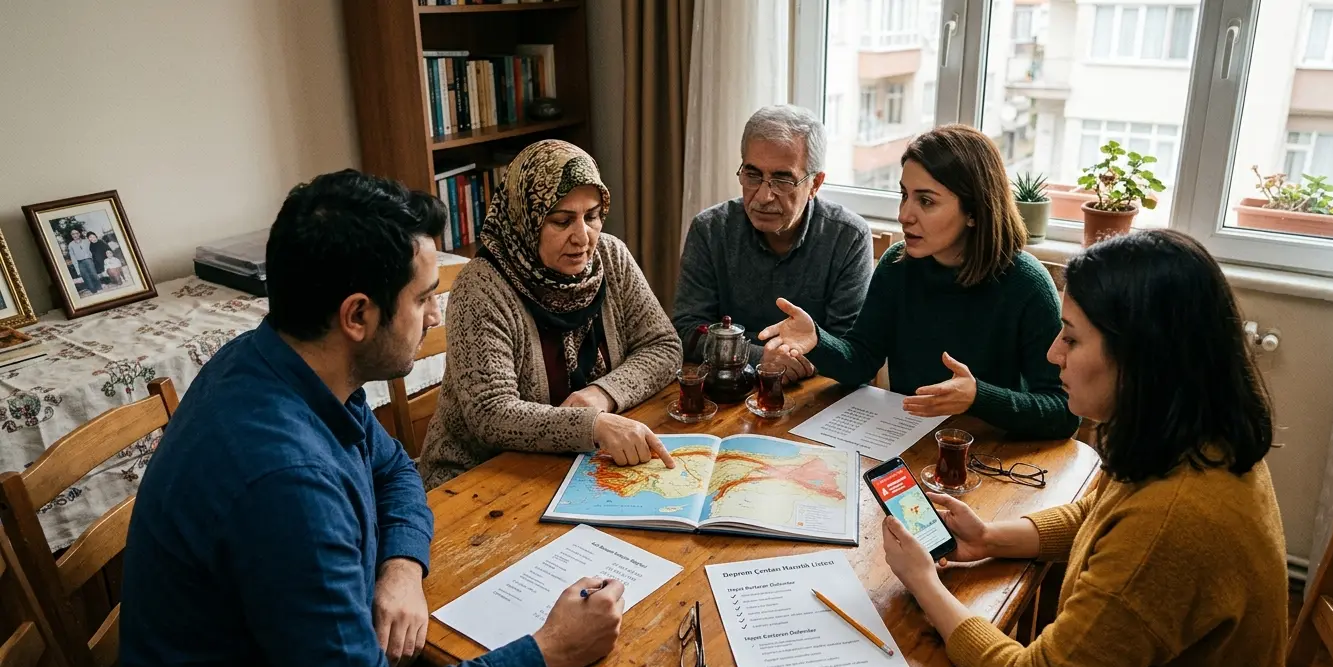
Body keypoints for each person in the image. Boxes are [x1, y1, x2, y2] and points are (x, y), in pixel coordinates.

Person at [121, 170, 626, 667]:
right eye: (422, 298)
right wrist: (551, 648)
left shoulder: (282, 362)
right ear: (357, 316)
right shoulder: (286, 481)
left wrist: (401, 566)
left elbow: (395, 472)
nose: (436, 316)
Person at [882, 229, 1288, 667]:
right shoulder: (1192, 437)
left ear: (1141, 355)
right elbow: (1095, 516)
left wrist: (925, 584)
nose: (1054, 354)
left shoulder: (1175, 518)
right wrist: (991, 536)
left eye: (1071, 339)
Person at [760, 125, 1078, 439]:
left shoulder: (1027, 284)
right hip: (905, 440)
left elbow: (1063, 412)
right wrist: (816, 339)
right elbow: (861, 361)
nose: (904, 215)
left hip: (987, 457)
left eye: (926, 201)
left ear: (974, 212)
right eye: (904, 195)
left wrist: (978, 396)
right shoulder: (898, 266)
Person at [419, 140, 682, 490]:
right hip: (480, 476)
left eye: (591, 216)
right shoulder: (482, 286)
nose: (583, 237)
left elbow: (664, 346)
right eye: (561, 221)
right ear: (525, 219)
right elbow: (490, 412)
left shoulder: (611, 257)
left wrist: (603, 394)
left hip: (576, 468)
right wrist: (592, 426)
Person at [672, 104, 872, 383]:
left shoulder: (848, 237)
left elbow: (848, 348)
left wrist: (798, 358)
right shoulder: (710, 229)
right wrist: (758, 357)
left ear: (815, 183)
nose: (764, 196)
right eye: (752, 175)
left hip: (816, 393)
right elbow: (687, 331)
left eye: (782, 179)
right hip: (731, 384)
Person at [65, 228, 101, 295]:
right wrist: (77, 269)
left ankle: (99, 288)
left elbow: (93, 247)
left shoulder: (86, 241)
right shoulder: (71, 245)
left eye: (76, 233)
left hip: (89, 260)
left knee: (93, 274)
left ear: (79, 234)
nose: (75, 235)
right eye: (73, 234)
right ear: (71, 236)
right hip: (80, 262)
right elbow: (73, 257)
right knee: (85, 277)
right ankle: (93, 291)